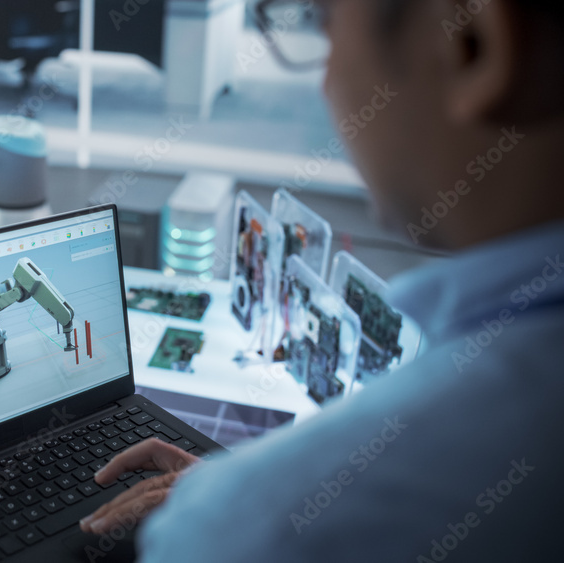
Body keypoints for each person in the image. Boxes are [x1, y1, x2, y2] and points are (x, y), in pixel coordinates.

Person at [80, 0, 564, 560]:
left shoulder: (247, 532)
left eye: (323, 23)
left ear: (476, 44)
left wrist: (246, 502)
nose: (326, 82)